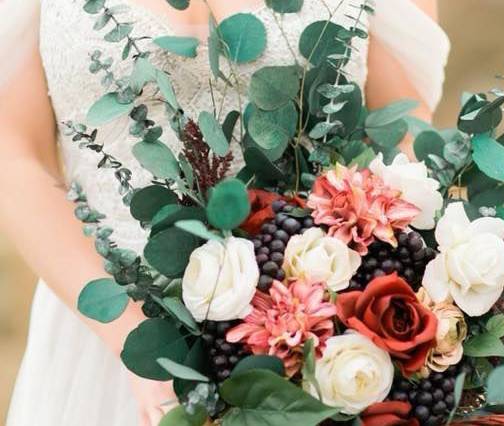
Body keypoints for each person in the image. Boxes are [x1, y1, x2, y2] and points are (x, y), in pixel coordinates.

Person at [0, 0, 449, 424]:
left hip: (312, 338)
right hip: (105, 326)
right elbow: (15, 155)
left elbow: (402, 132)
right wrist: (131, 340)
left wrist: (336, 294)